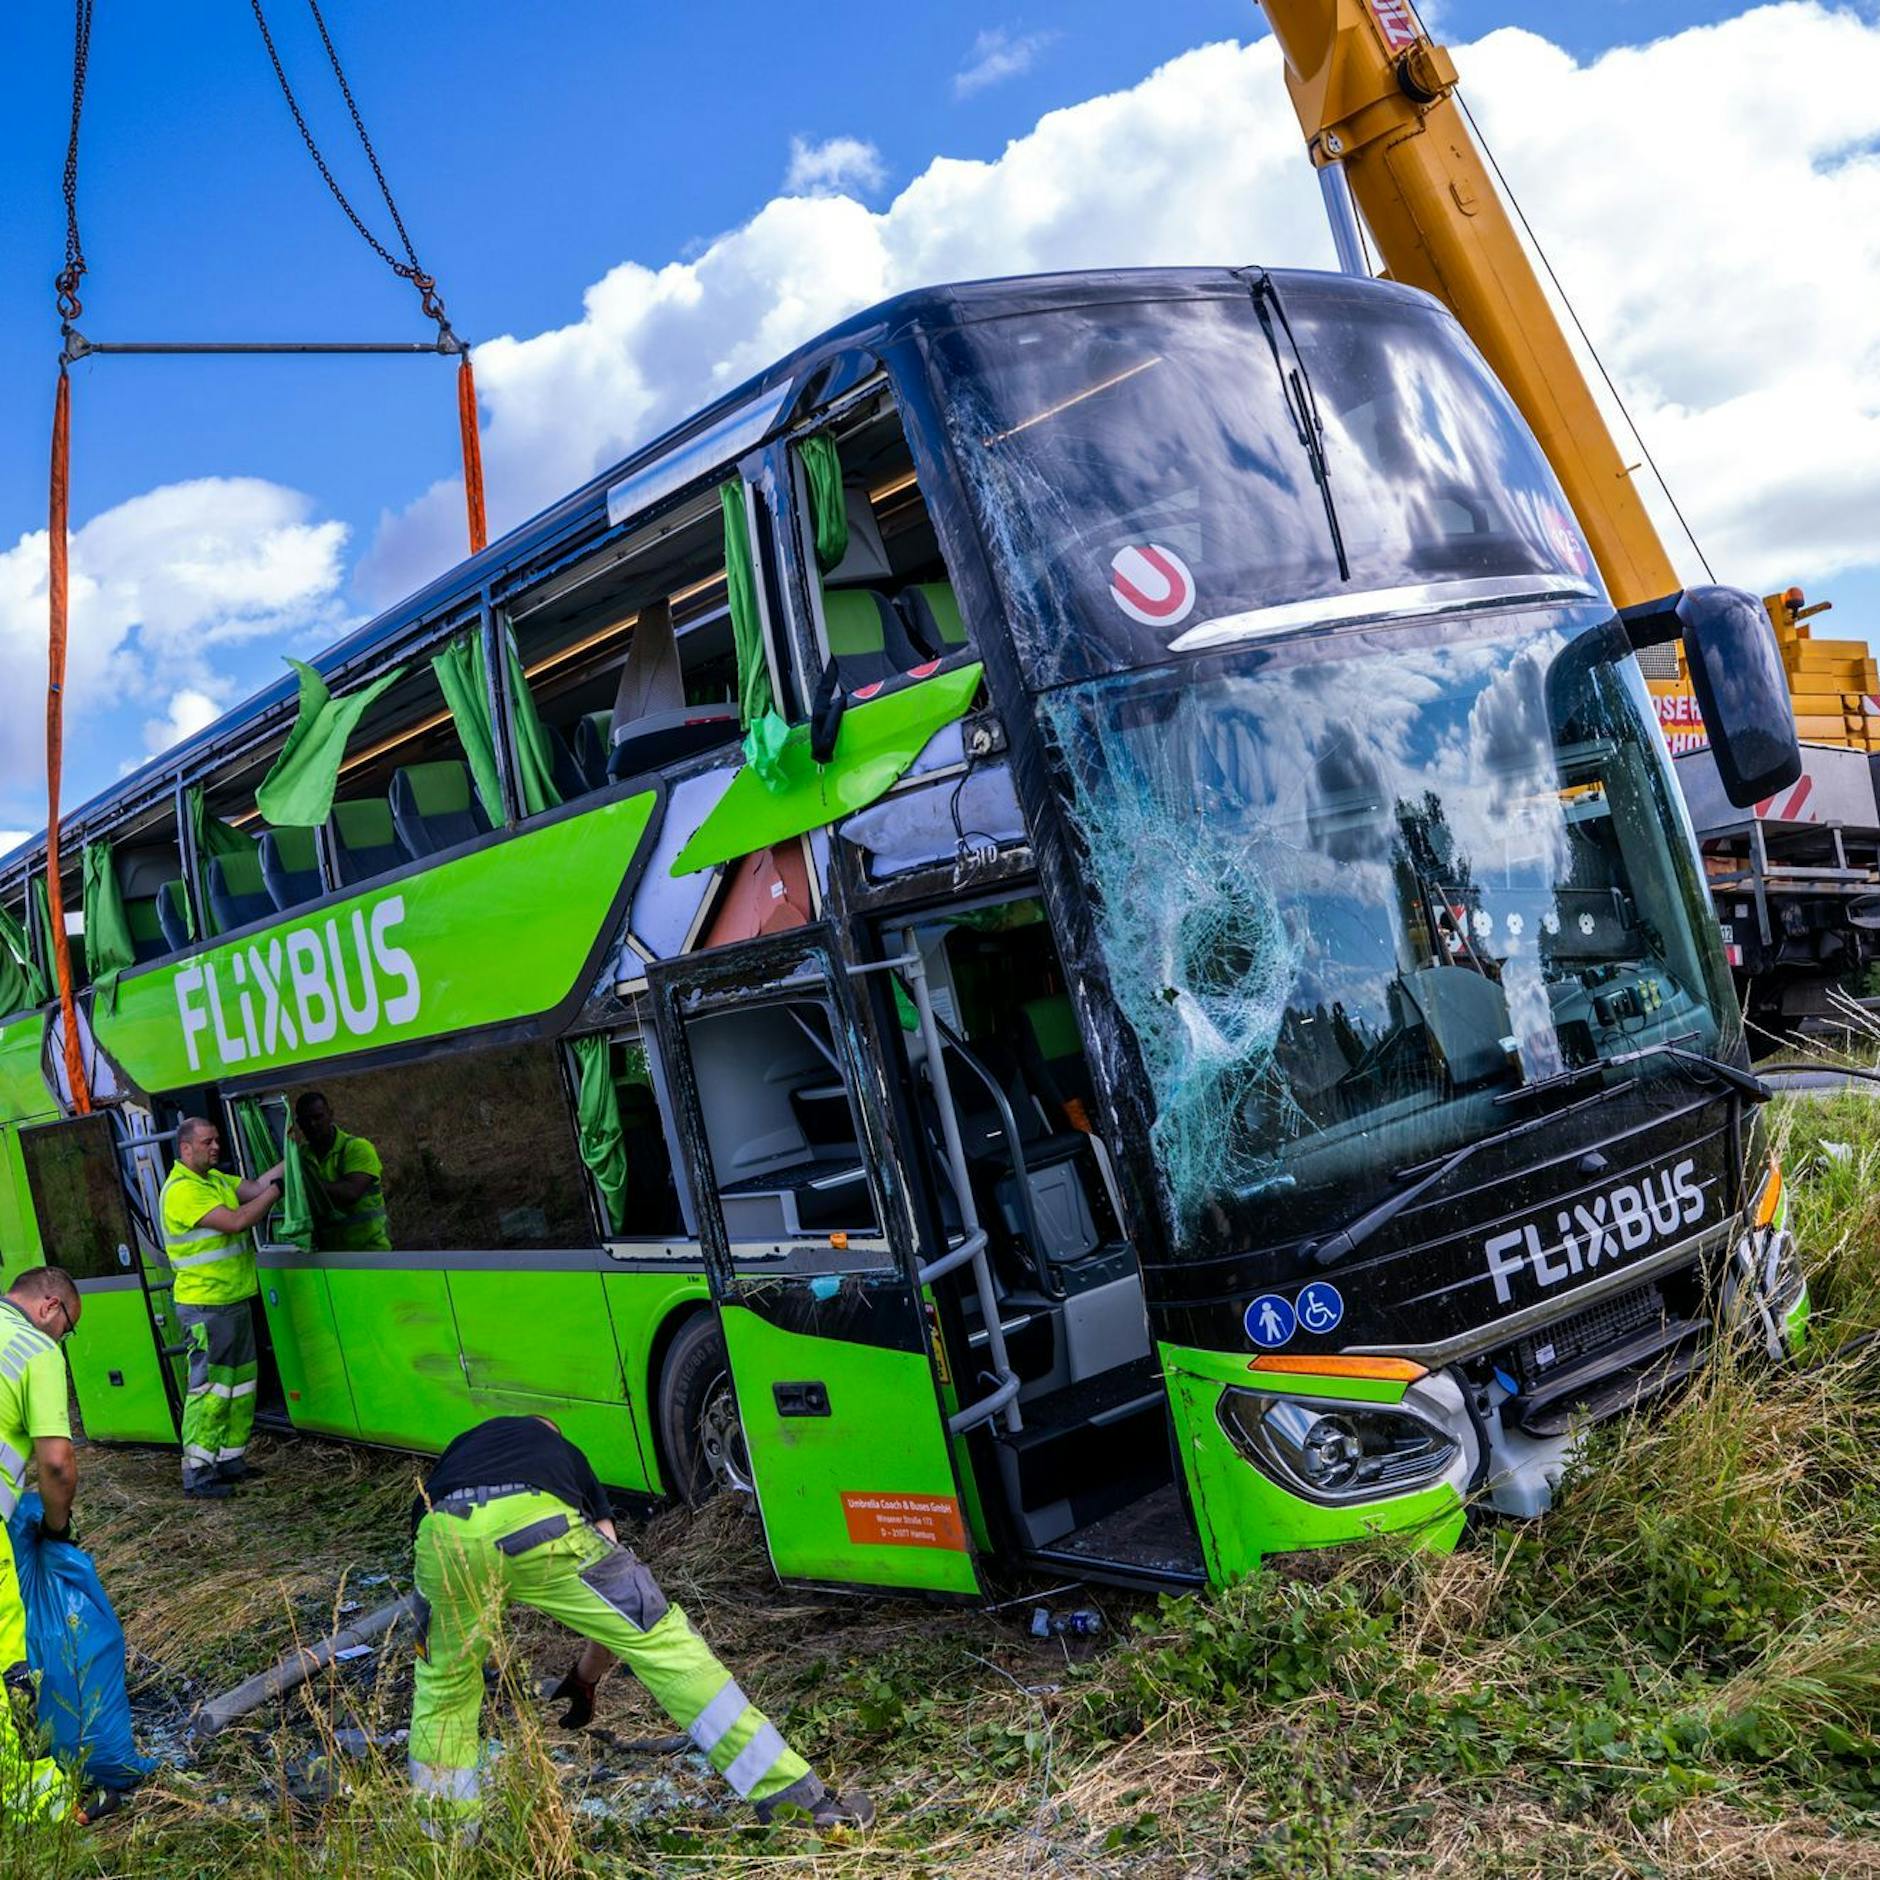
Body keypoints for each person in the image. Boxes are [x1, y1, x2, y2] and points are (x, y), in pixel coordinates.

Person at [408, 1415, 872, 1835]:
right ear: (549, 1431)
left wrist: (479, 1655)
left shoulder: (459, 1451)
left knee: (443, 1687)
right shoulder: (561, 1451)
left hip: (441, 1535)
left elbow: (432, 1555)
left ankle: (445, 1842)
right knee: (665, 1646)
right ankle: (796, 1802)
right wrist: (587, 1676)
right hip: (538, 1521)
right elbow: (612, 1572)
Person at [0, 1267, 85, 1821]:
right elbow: (56, 1463)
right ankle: (40, 1803)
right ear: (50, 1306)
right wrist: (57, 1529)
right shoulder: (35, 1347)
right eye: (68, 1330)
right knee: (8, 1670)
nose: (63, 1341)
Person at [160, 1117, 282, 1500]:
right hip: (206, 1306)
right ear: (186, 1149)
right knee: (209, 1389)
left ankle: (230, 1459)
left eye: (217, 1140)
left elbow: (256, 1187)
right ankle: (198, 1471)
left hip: (231, 1301)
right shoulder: (183, 1191)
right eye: (208, 1142)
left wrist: (290, 1158)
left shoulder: (214, 1181)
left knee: (240, 1386)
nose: (216, 1147)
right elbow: (238, 1219)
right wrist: (276, 1194)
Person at [293, 1091, 391, 1253]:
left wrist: (304, 1184)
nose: (313, 1124)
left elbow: (351, 1193)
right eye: (306, 1121)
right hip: (331, 1257)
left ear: (330, 1115)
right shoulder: (300, 1157)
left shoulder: (357, 1148)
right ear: (299, 1124)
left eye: (318, 1117)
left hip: (371, 1254)